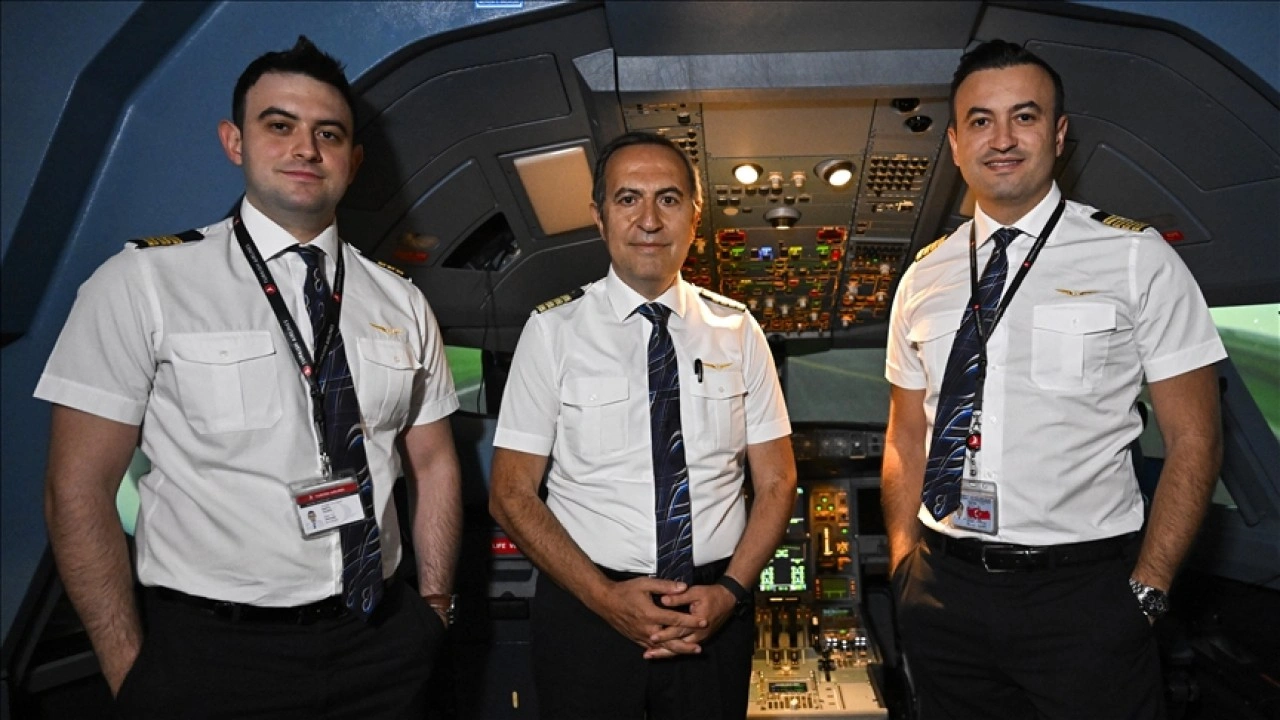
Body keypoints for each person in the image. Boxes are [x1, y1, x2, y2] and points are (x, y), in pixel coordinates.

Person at [36, 36, 462, 718]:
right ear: (235, 142)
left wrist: (433, 608)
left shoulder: (400, 301)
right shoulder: (143, 282)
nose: (305, 149)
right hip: (213, 654)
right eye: (279, 125)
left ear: (352, 161)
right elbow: (76, 488)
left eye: (328, 134)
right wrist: (130, 674)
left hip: (379, 643)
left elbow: (433, 462)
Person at [882, 39, 1225, 719]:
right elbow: (906, 431)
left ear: (1059, 134)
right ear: (954, 144)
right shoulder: (923, 276)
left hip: (1084, 598)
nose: (1003, 139)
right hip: (944, 592)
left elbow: (1198, 440)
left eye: (1025, 116)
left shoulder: (1135, 257)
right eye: (981, 121)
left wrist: (1147, 591)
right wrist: (902, 567)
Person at [488, 131, 797, 720]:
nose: (649, 220)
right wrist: (605, 598)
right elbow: (510, 492)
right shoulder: (552, 333)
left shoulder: (738, 332)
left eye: (669, 199)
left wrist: (730, 592)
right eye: (628, 199)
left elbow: (778, 482)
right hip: (586, 611)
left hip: (713, 612)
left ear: (695, 217)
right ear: (599, 216)